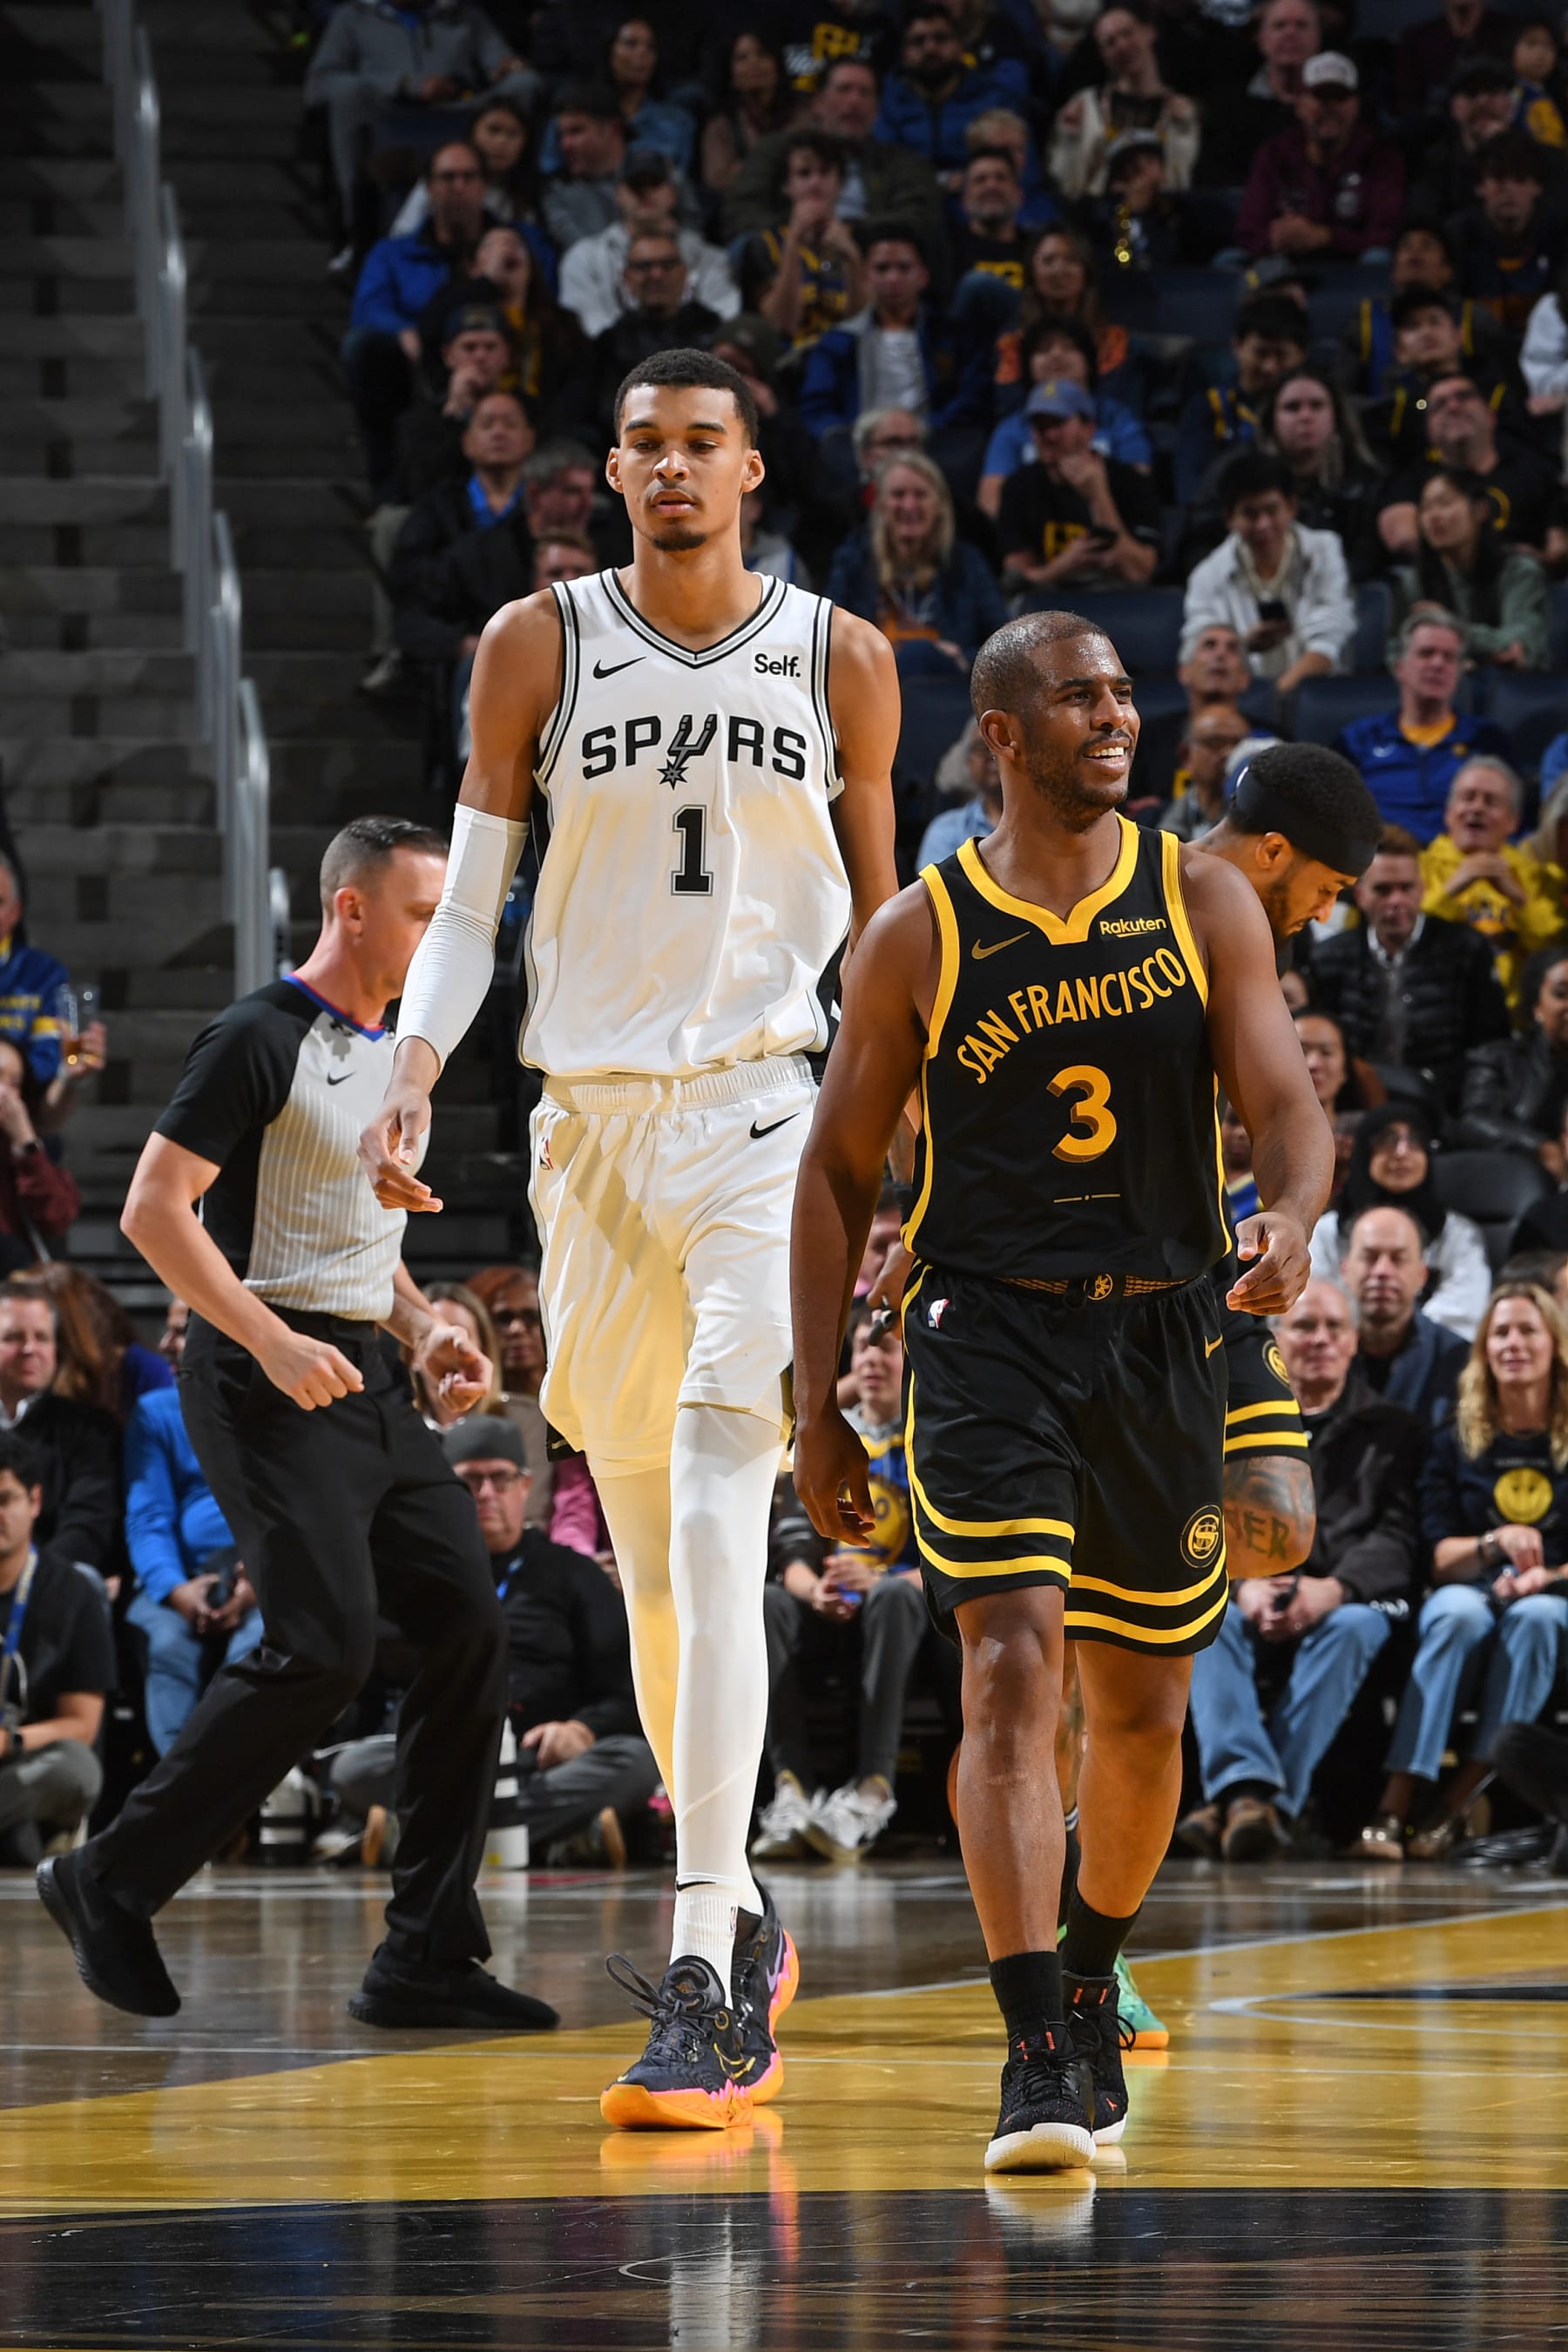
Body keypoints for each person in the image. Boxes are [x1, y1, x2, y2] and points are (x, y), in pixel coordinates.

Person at [359, 347, 901, 2129]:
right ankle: (739, 1911)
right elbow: (469, 905)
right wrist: (413, 1064)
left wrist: (904, 1130)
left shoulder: (839, 655)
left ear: (751, 469)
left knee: (726, 1503)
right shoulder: (537, 643)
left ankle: (703, 1960)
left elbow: (884, 924)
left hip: (766, 1113)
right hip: (586, 1130)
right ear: (611, 472)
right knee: (660, 1566)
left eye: (701, 445)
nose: (672, 469)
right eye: (645, 446)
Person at [789, 607, 1331, 2173]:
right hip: (989, 1338)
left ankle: (1091, 1975)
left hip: (1164, 1332)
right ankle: (1034, 2049)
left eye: (1123, 694)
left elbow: (1285, 1105)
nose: (1117, 716)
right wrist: (818, 1405)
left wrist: (1295, 1215)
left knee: (1142, 1713)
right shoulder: (918, 933)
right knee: (1010, 1669)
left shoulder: (1202, 898)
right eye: (1081, 697)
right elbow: (834, 1175)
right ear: (1004, 735)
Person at [37, 817, 557, 2037]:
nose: (440, 939)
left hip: (363, 1373)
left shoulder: (399, 1054)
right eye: (423, 915)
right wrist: (269, 1338)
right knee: (323, 1645)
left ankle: (427, 1955)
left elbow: (357, 1238)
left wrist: (424, 1326)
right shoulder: (256, 1035)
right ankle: (109, 1877)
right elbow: (154, 1212)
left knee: (468, 1628)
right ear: (350, 910)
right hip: (256, 1375)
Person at [334, 1416, 658, 1866]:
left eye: (501, 1479)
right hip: (444, 1756)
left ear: (525, 1487)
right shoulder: (417, 1576)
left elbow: (624, 1687)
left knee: (635, 1762)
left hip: (539, 1760)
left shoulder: (574, 1573)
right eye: (470, 1481)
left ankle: (424, 1831)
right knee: (354, 1768)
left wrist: (581, 1730)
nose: (487, 1493)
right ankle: (545, 1836)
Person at [1176, 1277, 1423, 1862]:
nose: (1320, 1339)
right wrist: (1243, 1585)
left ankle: (1243, 1802)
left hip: (1344, 1599)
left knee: (1356, 1627)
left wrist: (1336, 1588)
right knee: (1207, 1624)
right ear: (1275, 1340)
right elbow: (1201, 1513)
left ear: (1355, 1342)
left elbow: (1398, 1536)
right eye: (1305, 1326)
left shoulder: (1395, 1428)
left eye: (1334, 1328)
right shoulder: (1229, 1420)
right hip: (1249, 1591)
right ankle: (1256, 1800)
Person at [1354, 1281, 1568, 1860]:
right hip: (1471, 1586)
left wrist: (1548, 1576)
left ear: (1555, 1344)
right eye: (1501, 1333)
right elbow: (1438, 1558)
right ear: (1484, 1350)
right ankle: (1397, 1800)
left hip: (1553, 1594)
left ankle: (1456, 1800)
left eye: (1528, 1331)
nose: (1513, 1343)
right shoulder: (1455, 1437)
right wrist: (1496, 1542)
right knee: (1455, 1615)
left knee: (1538, 1619)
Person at [754, 1307, 939, 1865]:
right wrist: (816, 1591)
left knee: (894, 1597)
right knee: (768, 1601)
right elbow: (790, 1551)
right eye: (862, 1349)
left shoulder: (930, 1438)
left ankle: (872, 1791)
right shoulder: (825, 1441)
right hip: (832, 1610)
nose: (872, 1361)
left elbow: (948, 1559)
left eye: (886, 1349)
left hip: (910, 1616)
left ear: (911, 1361)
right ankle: (792, 1791)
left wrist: (878, 1579)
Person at [1304, 825, 1510, 1108]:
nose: (1396, 901)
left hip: (1445, 1104)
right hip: (1353, 1104)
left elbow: (1490, 1042)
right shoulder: (1329, 958)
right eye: (1383, 890)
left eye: (1406, 888)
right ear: (1361, 896)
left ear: (1422, 890)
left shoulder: (1467, 949)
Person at [303, 0, 535, 242]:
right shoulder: (353, 16)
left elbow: (500, 62)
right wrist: (404, 84)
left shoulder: (464, 14)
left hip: (460, 110)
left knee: (525, 83)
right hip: (386, 112)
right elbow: (318, 87)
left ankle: (515, 205)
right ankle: (354, 223)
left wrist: (510, 67)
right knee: (346, 92)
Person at [344, 141, 492, 495]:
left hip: (496, 351)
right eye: (447, 177)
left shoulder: (515, 243)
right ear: (428, 187)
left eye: (468, 177)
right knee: (364, 346)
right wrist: (402, 331)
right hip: (419, 363)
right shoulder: (393, 253)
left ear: (484, 186)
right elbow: (369, 307)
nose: (458, 187)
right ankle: (388, 485)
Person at [123, 1383, 262, 1757]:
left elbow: (304, 1510)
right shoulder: (156, 1411)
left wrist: (262, 1580)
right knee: (167, 1646)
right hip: (182, 1576)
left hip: (270, 1576)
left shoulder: (290, 1399)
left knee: (258, 1649)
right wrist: (175, 1589)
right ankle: (182, 1779)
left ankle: (239, 1776)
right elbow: (148, 1517)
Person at [0, 1432, 112, 1868]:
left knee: (76, 1768)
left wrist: (11, 1741)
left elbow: (82, 1725)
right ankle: (15, 1837)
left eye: (5, 1500)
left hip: (29, 1764)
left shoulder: (72, 1592)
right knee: (20, 1842)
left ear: (35, 1501)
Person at [719, 56, 945, 256]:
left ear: (877, 110)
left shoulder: (901, 163)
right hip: (789, 258)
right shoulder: (776, 150)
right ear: (818, 103)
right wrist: (799, 230)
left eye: (864, 93)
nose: (854, 101)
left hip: (870, 261)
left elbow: (920, 219)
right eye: (844, 90)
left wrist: (852, 231)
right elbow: (741, 214)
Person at [798, 226, 992, 454]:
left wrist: (927, 430)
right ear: (866, 277)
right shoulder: (839, 342)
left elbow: (972, 397)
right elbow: (817, 408)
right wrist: (855, 439)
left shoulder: (953, 336)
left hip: (935, 443)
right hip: (861, 450)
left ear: (923, 277)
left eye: (904, 268)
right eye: (882, 268)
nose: (893, 277)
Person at [1180, 450, 1355, 698]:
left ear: (1291, 507)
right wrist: (1243, 645)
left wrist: (1275, 698)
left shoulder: (1324, 551)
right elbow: (1196, 651)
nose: (1263, 524)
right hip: (1242, 699)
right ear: (1230, 518)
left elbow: (1330, 640)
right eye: (1250, 514)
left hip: (1318, 695)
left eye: (1271, 510)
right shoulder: (1207, 575)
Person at [1309, 1105, 1491, 1340]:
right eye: (1388, 1141)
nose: (1402, 1152)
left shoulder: (1459, 1234)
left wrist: (1398, 1338)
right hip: (1337, 1348)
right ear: (1364, 1152)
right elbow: (1312, 1302)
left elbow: (1466, 1311)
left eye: (1415, 1142)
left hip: (1432, 1355)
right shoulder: (1325, 1232)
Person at [1335, 611, 1515, 844]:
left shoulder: (1488, 740)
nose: (1437, 664)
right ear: (1400, 667)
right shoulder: (1357, 741)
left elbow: (1512, 819)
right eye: (1426, 653)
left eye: (1449, 657)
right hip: (1380, 859)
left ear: (1460, 673)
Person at [829, 450, 1007, 674]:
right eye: (898, 494)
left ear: (939, 506)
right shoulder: (853, 560)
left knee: (921, 654)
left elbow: (1003, 646)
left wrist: (963, 658)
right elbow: (829, 639)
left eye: (920, 495)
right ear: (880, 504)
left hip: (949, 686)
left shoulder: (967, 563)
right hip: (871, 683)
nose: (909, 505)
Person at [1377, 375, 1567, 569]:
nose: (1453, 407)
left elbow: (1559, 543)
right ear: (1428, 430)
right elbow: (1402, 536)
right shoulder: (1412, 478)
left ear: (1491, 416)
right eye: (1439, 405)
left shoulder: (1532, 470)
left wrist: (1535, 562)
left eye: (1464, 397)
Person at [1236, 52, 1404, 265]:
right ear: (1300, 105)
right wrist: (1275, 239)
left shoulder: (1381, 156)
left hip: (1351, 266)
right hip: (1285, 267)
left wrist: (1325, 237)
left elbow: (1386, 236)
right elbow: (1248, 232)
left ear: (1356, 106)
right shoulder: (1275, 153)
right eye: (1321, 97)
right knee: (1231, 259)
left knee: (1378, 257)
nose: (1331, 108)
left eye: (1340, 98)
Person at [558, 148, 740, 342]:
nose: (645, 193)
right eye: (635, 185)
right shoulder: (583, 259)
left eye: (654, 183)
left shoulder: (710, 258)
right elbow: (586, 327)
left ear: (673, 193)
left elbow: (725, 321)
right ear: (618, 195)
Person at [978, 317, 1152, 520]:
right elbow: (990, 505)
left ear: (1089, 361)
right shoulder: (1011, 428)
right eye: (1043, 349)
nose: (1056, 355)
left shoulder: (1118, 420)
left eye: (1069, 347)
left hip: (1106, 527)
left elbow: (1140, 496)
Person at [1421, 756, 1563, 1004]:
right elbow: (1405, 937)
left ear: (1513, 821)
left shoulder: (1537, 876)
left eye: (1491, 801)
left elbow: (1554, 951)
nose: (1477, 808)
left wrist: (1519, 898)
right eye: (1468, 797)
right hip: (1435, 1008)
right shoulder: (1418, 868)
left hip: (1513, 1019)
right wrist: (1453, 888)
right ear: (1449, 813)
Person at [0, 1283, 122, 1571]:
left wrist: (27, 1580)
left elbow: (87, 1525)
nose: (30, 1349)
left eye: (42, 1337)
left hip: (55, 1579)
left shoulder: (92, 1430)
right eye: (13, 1337)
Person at [997, 380, 1160, 592]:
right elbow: (1016, 580)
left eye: (1058, 423)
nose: (1050, 435)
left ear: (1089, 429)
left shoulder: (1131, 482)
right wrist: (1063, 567)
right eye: (1040, 426)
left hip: (1118, 600)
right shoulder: (1018, 487)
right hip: (1047, 603)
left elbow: (1139, 573)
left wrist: (1098, 496)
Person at [569, 230, 726, 452]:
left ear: (684, 273)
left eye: (667, 265)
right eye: (644, 266)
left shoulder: (716, 335)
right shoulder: (607, 347)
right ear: (626, 277)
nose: (656, 274)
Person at [1389, 469, 1551, 672]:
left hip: (1512, 687)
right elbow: (1396, 654)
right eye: (1425, 508)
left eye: (1445, 503)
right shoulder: (1414, 581)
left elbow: (1519, 643)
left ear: (1480, 510)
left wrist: (1449, 627)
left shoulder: (1519, 571)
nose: (1433, 516)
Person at [1047, 3, 1200, 199]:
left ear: (1149, 32)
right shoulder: (1085, 107)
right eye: (1110, 42)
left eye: (1127, 33)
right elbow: (1067, 187)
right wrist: (1070, 139)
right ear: (1103, 55)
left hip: (1161, 212)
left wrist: (1184, 131)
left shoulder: (1179, 111)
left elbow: (1183, 181)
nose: (1122, 46)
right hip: (1108, 212)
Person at [1173, 294, 1307, 510]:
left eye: (1281, 355)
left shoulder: (1315, 414)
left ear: (1302, 355)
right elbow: (1191, 497)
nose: (1269, 367)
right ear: (1237, 347)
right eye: (1261, 353)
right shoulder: (1209, 409)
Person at [1342, 1202, 1469, 1428]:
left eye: (1398, 1259)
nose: (1382, 1271)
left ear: (1422, 1275)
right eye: (1370, 1257)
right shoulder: (1316, 1351)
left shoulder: (1459, 1361)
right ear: (1345, 1270)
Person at [740, 132, 867, 351]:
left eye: (825, 172)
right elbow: (781, 325)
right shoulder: (763, 245)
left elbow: (865, 323)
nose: (815, 182)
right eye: (804, 173)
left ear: (840, 182)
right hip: (787, 360)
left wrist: (853, 257)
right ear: (787, 185)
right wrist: (793, 243)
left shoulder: (862, 238)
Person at [874, 4, 1030, 179]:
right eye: (918, 41)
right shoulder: (887, 103)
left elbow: (1023, 174)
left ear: (960, 47)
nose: (930, 48)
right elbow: (881, 171)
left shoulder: (994, 100)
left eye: (941, 38)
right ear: (903, 53)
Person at [1449, 132, 1565, 344]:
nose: (1510, 190)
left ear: (1537, 187)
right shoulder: (1457, 237)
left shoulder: (1560, 235)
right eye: (1499, 180)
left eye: (1520, 180)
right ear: (1480, 186)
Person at [1457, 941, 1568, 1160]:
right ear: (1536, 1006)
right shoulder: (1498, 1059)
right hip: (1523, 1173)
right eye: (1560, 994)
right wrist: (1541, 1147)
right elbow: (1473, 1122)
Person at [0, 1037, 78, 1275]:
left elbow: (56, 1218)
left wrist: (25, 1142)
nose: (5, 1093)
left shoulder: (22, 1148)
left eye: (15, 1084)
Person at [1294, 1005, 1385, 1184]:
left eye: (1326, 1053)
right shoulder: (1248, 1131)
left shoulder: (1367, 1134)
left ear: (1345, 1070)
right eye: (1301, 1050)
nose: (1313, 1064)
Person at [540, 86, 632, 253]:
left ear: (614, 129)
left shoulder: (659, 176)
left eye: (576, 131)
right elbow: (582, 255)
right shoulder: (557, 191)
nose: (565, 145)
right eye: (562, 135)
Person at [700, 30, 792, 196]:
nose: (753, 62)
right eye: (742, 58)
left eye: (762, 54)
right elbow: (718, 180)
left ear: (777, 64)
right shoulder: (720, 127)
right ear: (730, 74)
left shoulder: (801, 114)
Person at [1157, 705, 1253, 840]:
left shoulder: (1260, 822)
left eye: (1239, 744)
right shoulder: (1154, 822)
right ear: (1186, 756)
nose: (1229, 753)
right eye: (1215, 743)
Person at [916, 721, 1003, 863]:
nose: (993, 756)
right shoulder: (946, 831)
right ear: (969, 762)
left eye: (1001, 745)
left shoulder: (1043, 827)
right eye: (982, 747)